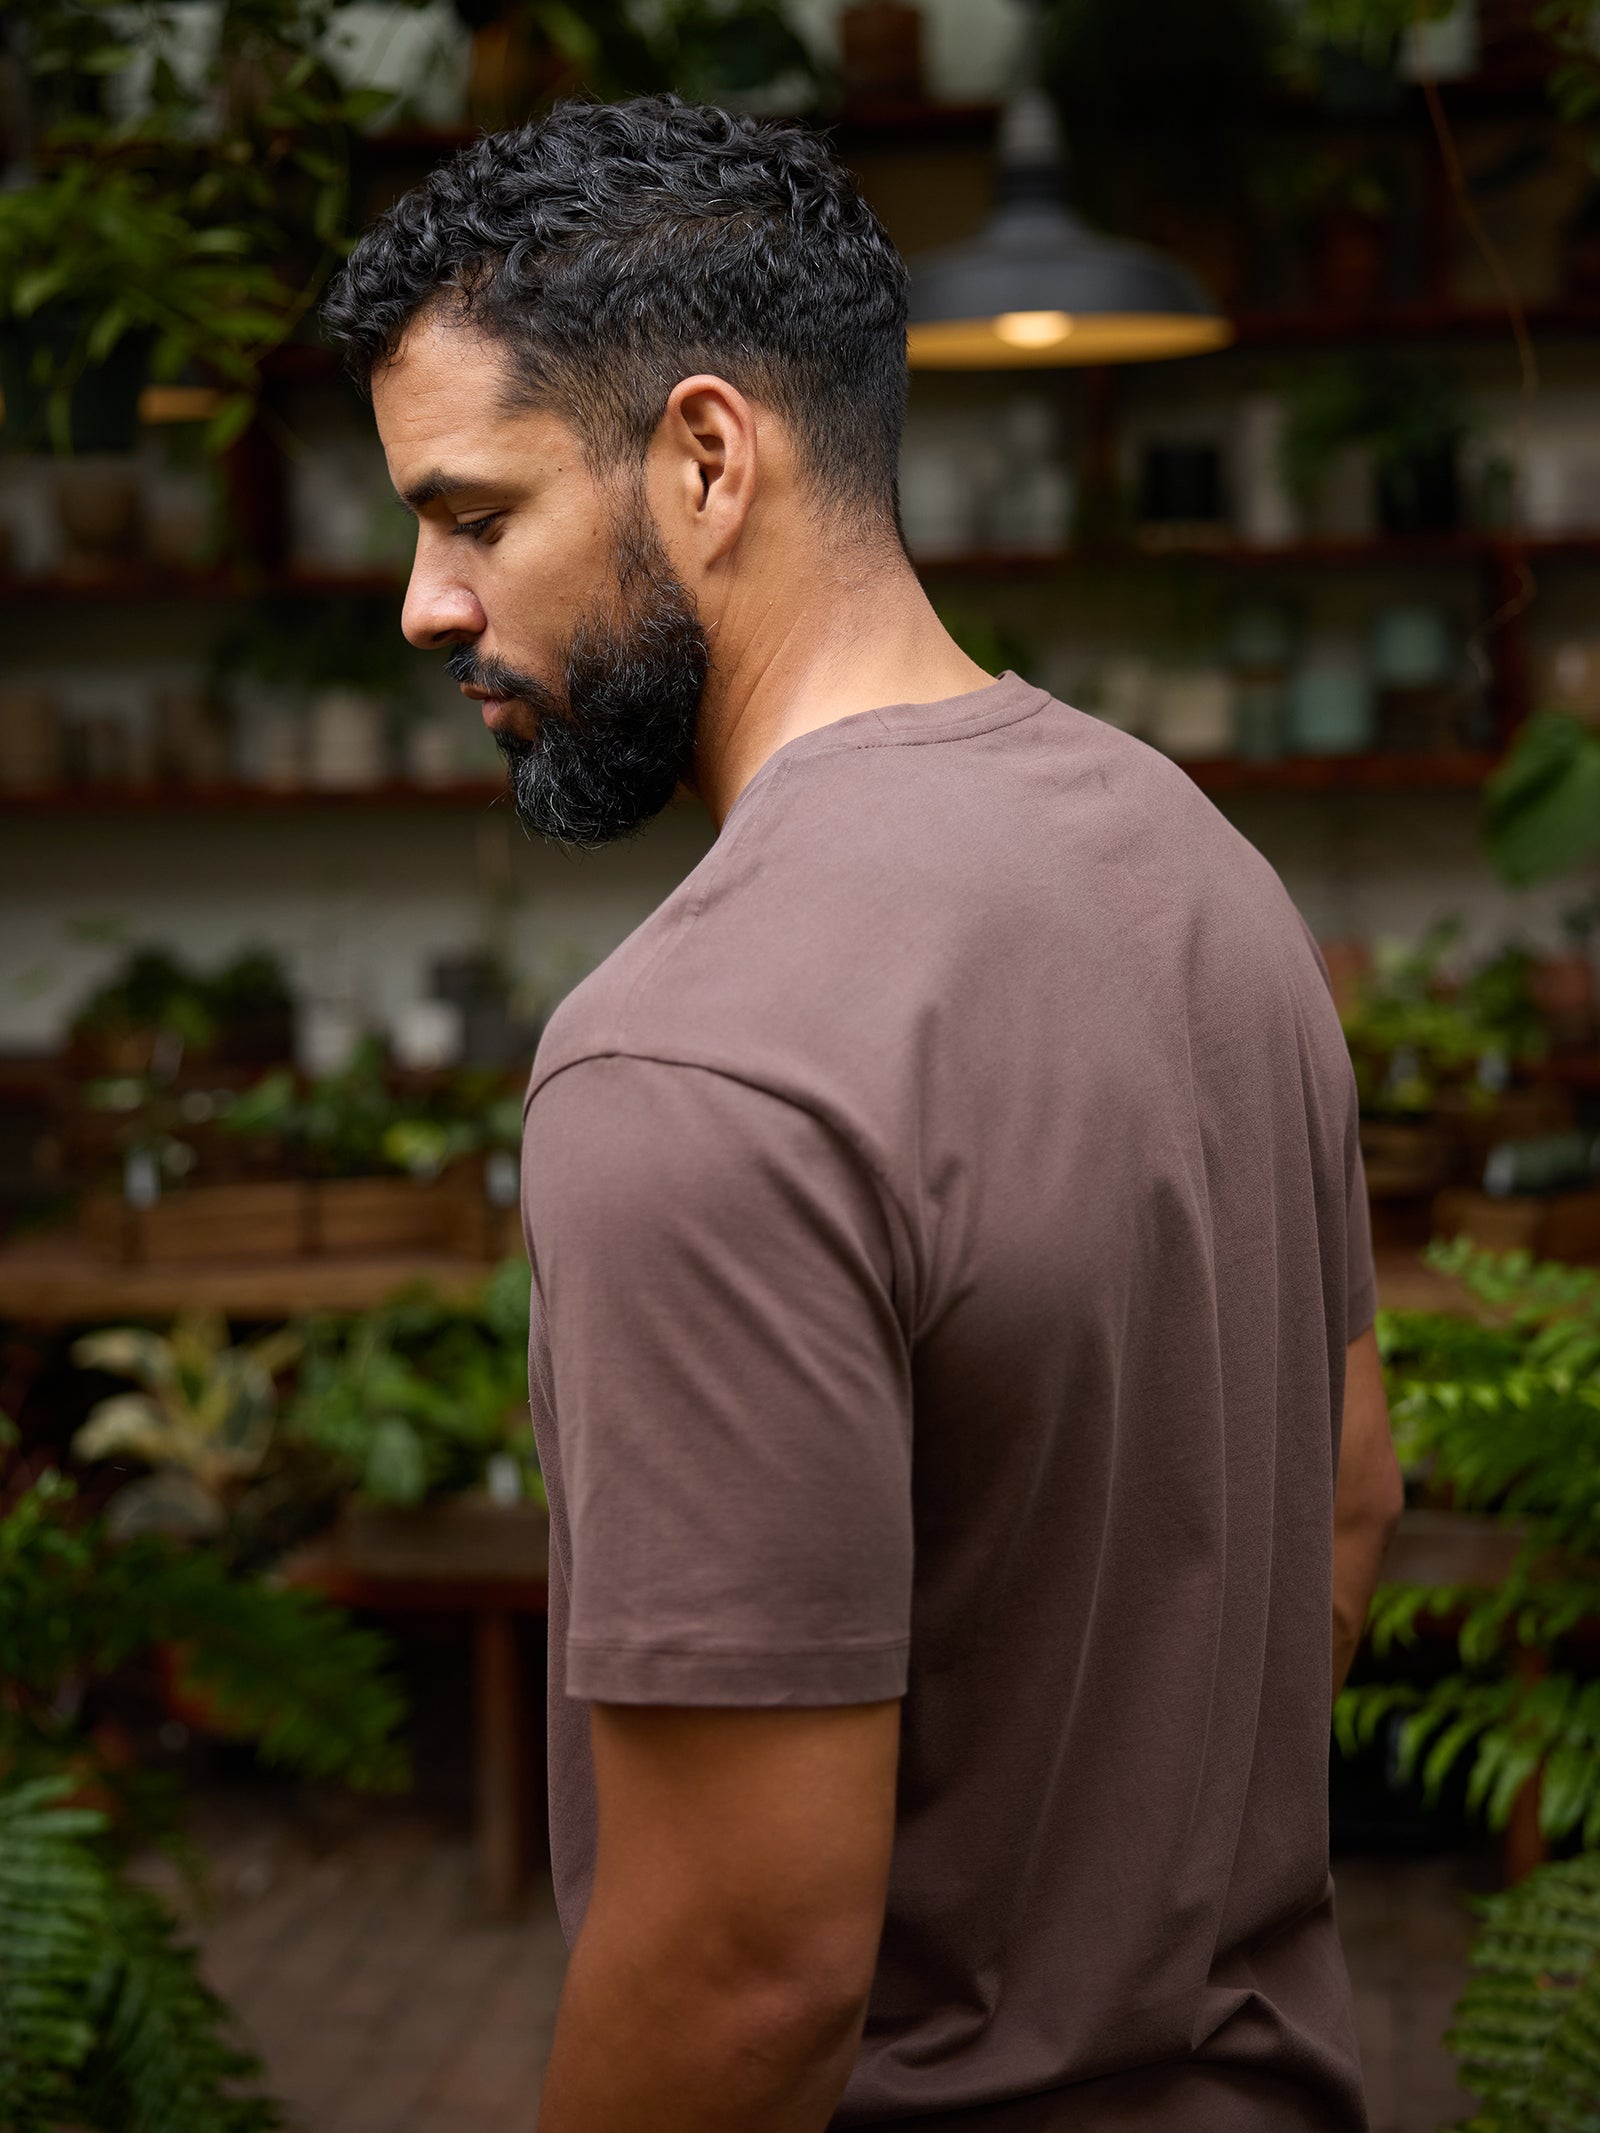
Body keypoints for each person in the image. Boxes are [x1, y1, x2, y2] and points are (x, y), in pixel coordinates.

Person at [322, 96, 1404, 2133]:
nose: (423, 603)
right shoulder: (1198, 863)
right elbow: (1350, 1491)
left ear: (707, 457)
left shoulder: (688, 1055)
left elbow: (741, 1971)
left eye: (471, 515)